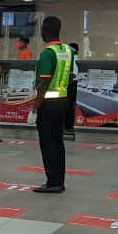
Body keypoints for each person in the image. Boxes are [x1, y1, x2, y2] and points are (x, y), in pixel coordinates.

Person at [30, 16, 76, 193]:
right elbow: (70, 76)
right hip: (63, 101)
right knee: (58, 143)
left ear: (45, 32)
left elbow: (43, 84)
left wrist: (35, 108)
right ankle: (59, 181)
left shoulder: (48, 53)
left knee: (48, 144)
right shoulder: (67, 51)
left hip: (48, 104)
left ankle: (52, 182)